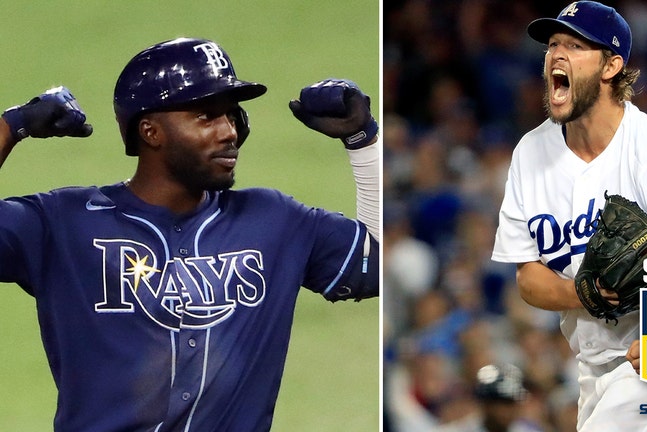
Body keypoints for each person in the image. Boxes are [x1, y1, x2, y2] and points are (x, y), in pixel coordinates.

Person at [0, 37, 379, 431]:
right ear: (150, 132)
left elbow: (377, 262)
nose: (229, 131)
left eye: (232, 116)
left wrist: (363, 139)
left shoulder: (276, 221)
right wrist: (13, 125)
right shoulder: (62, 224)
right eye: (206, 116)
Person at [491, 2, 647, 431]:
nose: (557, 54)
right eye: (553, 44)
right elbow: (528, 279)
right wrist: (586, 294)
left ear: (612, 66)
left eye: (575, 44)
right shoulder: (530, 153)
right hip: (594, 365)